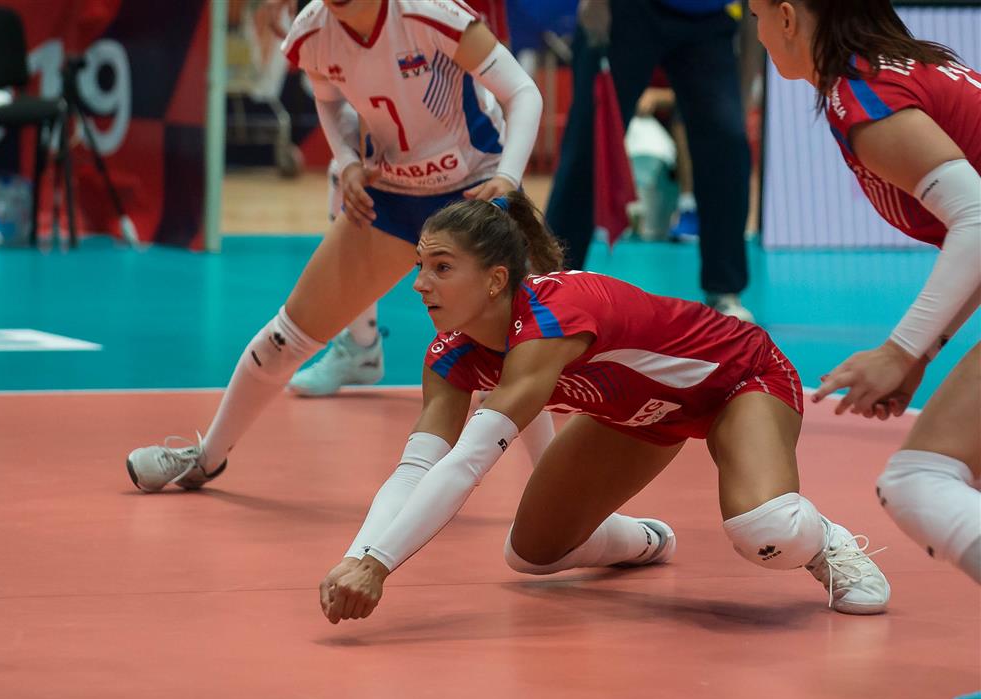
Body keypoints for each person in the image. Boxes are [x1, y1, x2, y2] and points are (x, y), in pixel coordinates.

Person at [318, 191, 890, 624]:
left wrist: (378, 566)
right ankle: (647, 541)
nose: (420, 284)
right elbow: (416, 470)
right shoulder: (451, 356)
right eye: (420, 266)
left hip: (737, 381)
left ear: (495, 280)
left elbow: (468, 461)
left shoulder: (550, 321)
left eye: (441, 268)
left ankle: (827, 542)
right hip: (642, 417)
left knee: (763, 530)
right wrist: (358, 556)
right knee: (533, 554)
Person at [128, 0, 553, 490]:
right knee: (286, 337)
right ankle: (206, 457)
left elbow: (523, 91)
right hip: (389, 198)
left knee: (517, 348)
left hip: (472, 192)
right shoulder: (312, 32)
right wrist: (347, 161)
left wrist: (507, 178)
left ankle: (558, 495)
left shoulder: (430, 14)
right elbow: (328, 101)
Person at [749, 0, 980, 699]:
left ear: (790, 17)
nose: (758, 32)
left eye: (756, 14)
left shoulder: (865, 94)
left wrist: (900, 349)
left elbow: (979, 219)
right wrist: (922, 355)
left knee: (920, 479)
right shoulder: (894, 71)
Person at [288, 0, 514, 398]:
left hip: (455, 102)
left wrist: (509, 172)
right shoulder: (320, 24)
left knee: (479, 228)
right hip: (380, 74)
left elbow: (515, 88)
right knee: (347, 176)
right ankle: (360, 346)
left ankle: (495, 351)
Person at [544, 0, 754, 321]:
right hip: (627, 11)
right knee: (589, 141)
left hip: (707, 19)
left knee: (728, 140)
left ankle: (725, 289)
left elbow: (755, 17)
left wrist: (745, 92)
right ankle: (549, 282)